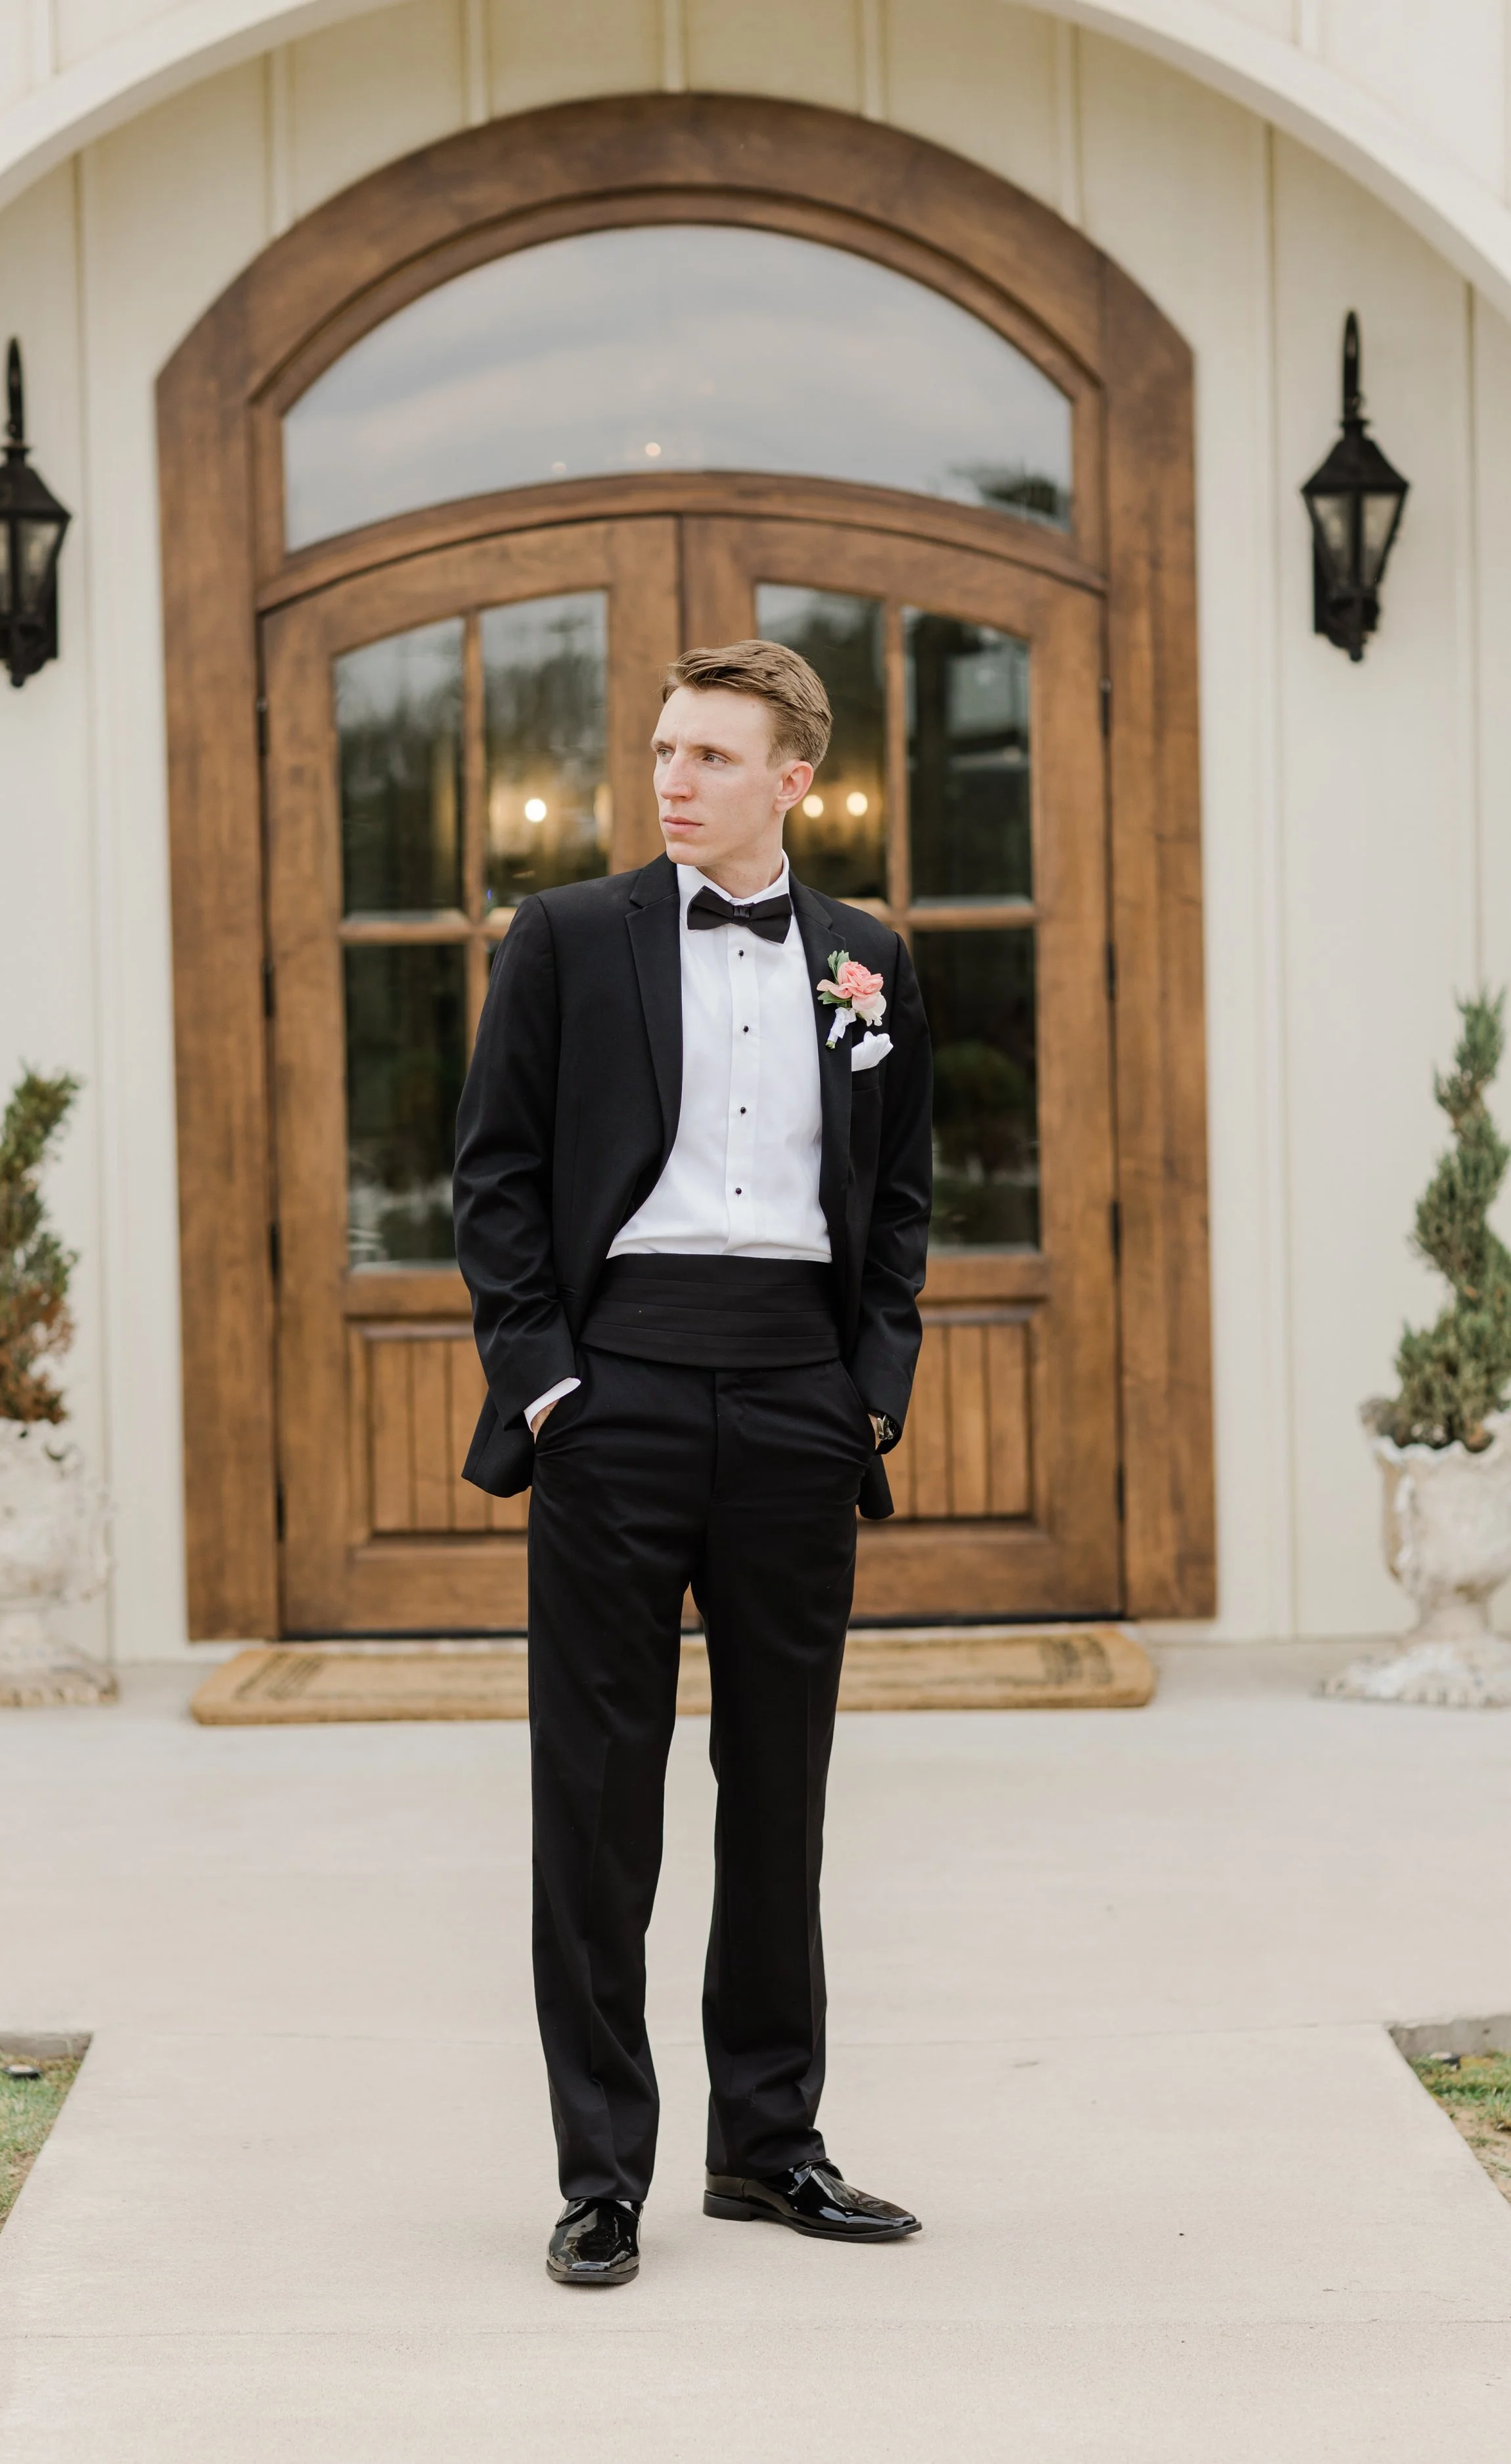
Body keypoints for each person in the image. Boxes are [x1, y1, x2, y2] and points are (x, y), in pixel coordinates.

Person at [453, 638, 932, 2288]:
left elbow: (904, 1194)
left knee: (777, 1795)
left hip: (798, 1402)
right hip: (618, 1398)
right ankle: (600, 2176)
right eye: (663, 751)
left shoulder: (864, 959)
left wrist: (870, 1387)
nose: (672, 779)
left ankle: (768, 2149)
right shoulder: (568, 940)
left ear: (791, 779)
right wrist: (546, 1389)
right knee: (595, 1805)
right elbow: (493, 1180)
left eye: (711, 758)